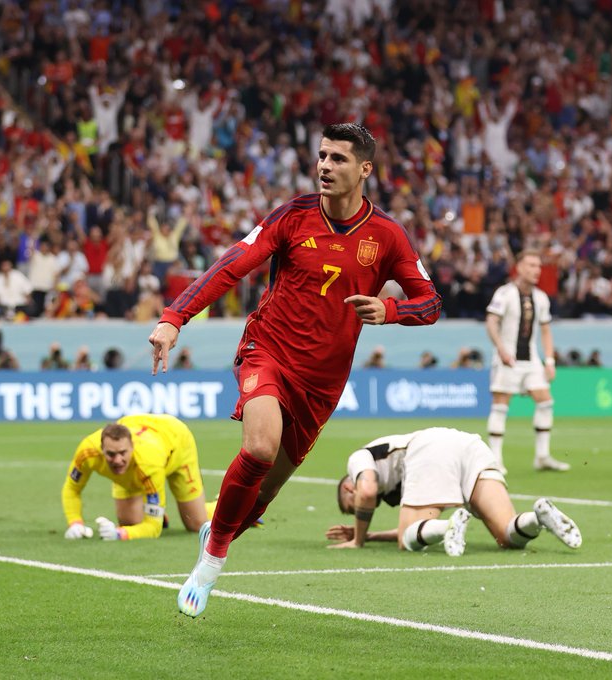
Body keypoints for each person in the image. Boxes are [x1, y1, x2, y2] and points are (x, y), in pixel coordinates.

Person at [148, 123, 442, 617]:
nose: (325, 166)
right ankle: (213, 559)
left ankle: (220, 529)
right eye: (322, 156)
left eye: (339, 159)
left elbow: (431, 302)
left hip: (323, 381)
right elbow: (231, 265)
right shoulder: (292, 217)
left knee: (266, 489)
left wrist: (389, 311)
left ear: (365, 169)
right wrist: (174, 317)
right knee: (259, 447)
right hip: (269, 350)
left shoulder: (387, 235)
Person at [326, 427, 582, 555]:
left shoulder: (358, 460)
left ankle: (449, 526)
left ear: (349, 486)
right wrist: (370, 535)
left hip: (430, 448)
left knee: (408, 541)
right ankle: (537, 518)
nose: (361, 509)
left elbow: (368, 492)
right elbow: (408, 524)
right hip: (468, 444)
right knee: (507, 535)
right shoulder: (390, 483)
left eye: (353, 506)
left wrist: (357, 540)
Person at [61, 413, 213, 541]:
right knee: (131, 522)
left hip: (177, 442)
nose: (118, 460)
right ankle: (156, 510)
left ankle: (218, 503)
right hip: (140, 437)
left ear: (132, 447)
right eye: (111, 454)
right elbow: (72, 488)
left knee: (196, 523)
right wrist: (75, 522)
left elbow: (154, 528)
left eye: (122, 453)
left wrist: (120, 534)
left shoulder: (149, 464)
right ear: (101, 449)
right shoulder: (87, 452)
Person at [485, 249, 570, 474]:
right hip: (507, 359)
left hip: (531, 359)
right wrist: (501, 349)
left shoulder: (541, 297)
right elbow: (491, 322)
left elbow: (545, 330)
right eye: (531, 265)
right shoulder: (504, 293)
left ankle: (542, 457)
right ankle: (495, 460)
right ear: (519, 267)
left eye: (538, 266)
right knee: (501, 404)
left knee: (545, 401)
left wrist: (549, 360)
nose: (536, 270)